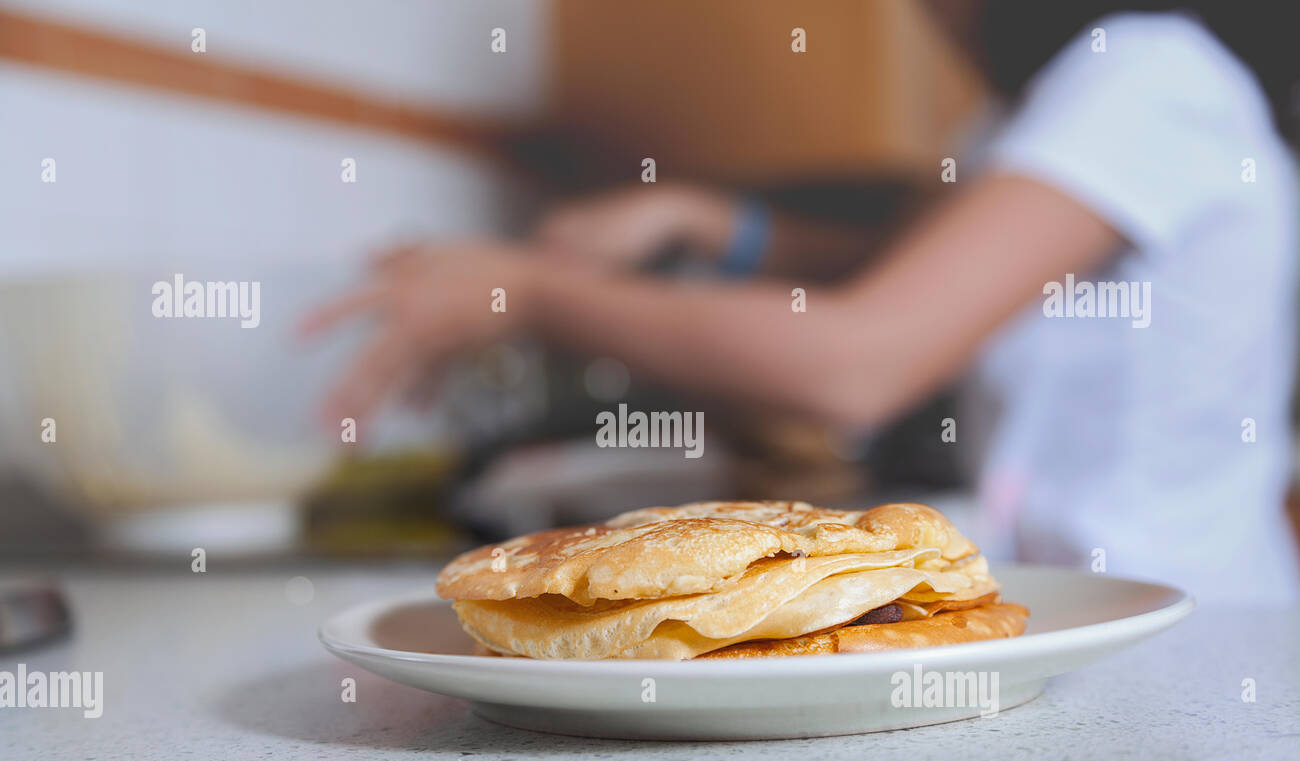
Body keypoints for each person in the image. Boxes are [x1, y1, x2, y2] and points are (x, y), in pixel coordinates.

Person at [300, 2, 1300, 604]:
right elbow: (915, 250)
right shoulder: (1077, 97)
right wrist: (708, 220)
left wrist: (525, 292)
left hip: (1179, 628)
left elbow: (856, 360)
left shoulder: (1146, 76)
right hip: (1106, 606)